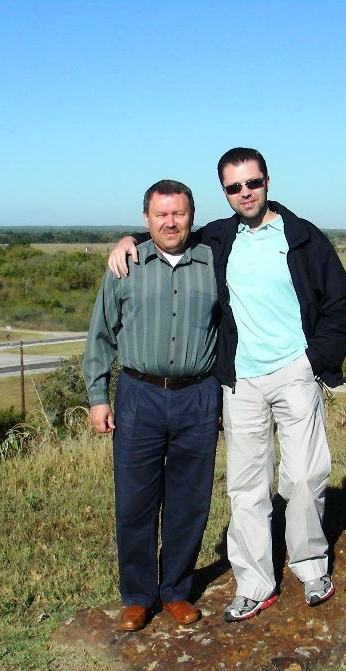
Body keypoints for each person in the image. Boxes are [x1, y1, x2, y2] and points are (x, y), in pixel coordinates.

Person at [107, 148, 346, 623]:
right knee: (246, 485)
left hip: (294, 372)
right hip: (240, 380)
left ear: (267, 182)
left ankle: (310, 567)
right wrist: (129, 239)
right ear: (224, 193)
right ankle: (256, 583)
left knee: (305, 476)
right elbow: (171, 234)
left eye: (252, 183)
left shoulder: (303, 237)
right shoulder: (221, 237)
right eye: (234, 187)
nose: (245, 193)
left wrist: (313, 361)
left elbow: (340, 305)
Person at [84, 179, 220, 632]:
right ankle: (138, 597)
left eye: (178, 213)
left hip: (198, 395)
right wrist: (98, 396)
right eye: (161, 214)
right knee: (135, 501)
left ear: (191, 215)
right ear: (146, 219)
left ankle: (176, 591)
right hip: (138, 394)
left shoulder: (214, 263)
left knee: (190, 500)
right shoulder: (126, 264)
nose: (170, 222)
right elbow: (101, 334)